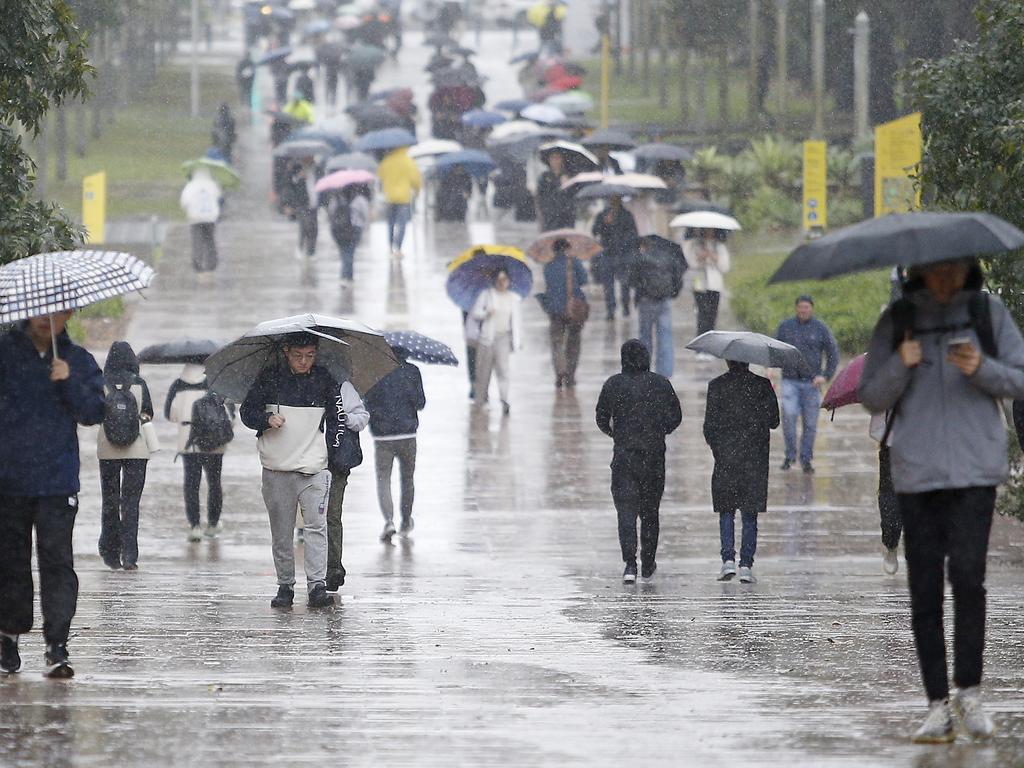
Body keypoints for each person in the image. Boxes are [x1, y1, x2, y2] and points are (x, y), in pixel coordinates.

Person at [860, 258, 1024, 743]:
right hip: (917, 471)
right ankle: (936, 705)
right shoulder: (897, 321)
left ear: (966, 269)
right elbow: (871, 394)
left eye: (954, 268)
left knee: (969, 578)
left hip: (976, 470)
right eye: (936, 270)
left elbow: (1019, 378)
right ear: (920, 273)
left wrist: (983, 369)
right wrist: (900, 363)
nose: (946, 277)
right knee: (925, 589)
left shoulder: (988, 314)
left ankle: (969, 692)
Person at [0, 311, 104, 678]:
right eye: (41, 312)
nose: (48, 319)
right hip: (8, 479)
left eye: (58, 312)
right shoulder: (5, 353)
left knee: (57, 562)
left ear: (70, 314)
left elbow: (93, 412)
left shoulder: (77, 359)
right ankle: (8, 636)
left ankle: (57, 644)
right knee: (11, 561)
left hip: (57, 481)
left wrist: (68, 381)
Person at [239, 333, 338, 610]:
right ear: (286, 351)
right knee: (281, 532)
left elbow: (336, 419)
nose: (304, 361)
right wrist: (266, 419)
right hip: (277, 468)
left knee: (317, 528)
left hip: (314, 468)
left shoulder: (325, 380)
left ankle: (317, 586)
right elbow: (247, 412)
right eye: (298, 355)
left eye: (309, 355)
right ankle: (285, 586)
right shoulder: (269, 378)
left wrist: (338, 457)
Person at [596, 340, 682, 583]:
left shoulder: (614, 384)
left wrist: (616, 433)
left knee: (626, 511)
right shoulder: (661, 384)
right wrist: (658, 430)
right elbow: (676, 416)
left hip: (624, 457)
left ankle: (630, 563)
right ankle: (648, 561)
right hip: (653, 457)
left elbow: (601, 417)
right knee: (650, 511)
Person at [703, 360, 780, 584]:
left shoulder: (716, 386)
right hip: (754, 459)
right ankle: (746, 564)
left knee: (726, 510)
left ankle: (727, 560)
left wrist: (719, 448)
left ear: (727, 361)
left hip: (726, 459)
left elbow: (709, 427)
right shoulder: (762, 385)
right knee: (750, 513)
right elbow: (774, 421)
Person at [96, 342, 154, 571]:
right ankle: (130, 555)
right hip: (137, 450)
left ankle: (110, 552)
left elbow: (94, 411)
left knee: (109, 501)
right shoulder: (139, 385)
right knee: (131, 503)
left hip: (107, 450)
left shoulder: (101, 384)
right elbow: (148, 414)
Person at [165, 364, 233, 542]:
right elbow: (230, 415)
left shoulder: (178, 385)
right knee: (214, 483)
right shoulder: (216, 384)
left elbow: (170, 415)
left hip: (189, 442)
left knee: (191, 484)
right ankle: (212, 524)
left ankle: (195, 525)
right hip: (215, 442)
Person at [364, 351, 425, 541]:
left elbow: (367, 403)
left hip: (383, 437)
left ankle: (389, 521)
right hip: (407, 434)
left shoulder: (375, 372)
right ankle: (406, 521)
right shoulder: (412, 371)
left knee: (384, 480)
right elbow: (420, 403)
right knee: (407, 479)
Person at [774, 295, 839, 473]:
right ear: (796, 308)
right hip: (789, 381)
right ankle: (789, 456)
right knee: (788, 420)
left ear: (812, 309)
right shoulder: (785, 327)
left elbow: (833, 352)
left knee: (810, 424)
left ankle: (806, 458)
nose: (803, 310)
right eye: (801, 307)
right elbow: (774, 348)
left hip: (812, 384)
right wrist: (771, 367)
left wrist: (825, 375)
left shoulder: (820, 328)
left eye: (807, 307)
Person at [324, 371, 369, 593]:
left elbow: (362, 418)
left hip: (336, 462)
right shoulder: (297, 385)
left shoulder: (343, 387)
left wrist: (344, 418)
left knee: (331, 515)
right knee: (313, 519)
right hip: (304, 459)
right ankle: (316, 569)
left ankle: (332, 568)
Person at [628, 235, 686, 378]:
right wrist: (672, 293)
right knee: (665, 336)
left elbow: (631, 280)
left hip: (646, 301)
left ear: (645, 245)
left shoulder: (640, 258)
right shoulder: (668, 257)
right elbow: (678, 277)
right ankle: (664, 373)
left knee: (645, 337)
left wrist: (641, 291)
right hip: (664, 301)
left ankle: (644, 370)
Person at [470, 270, 524, 414]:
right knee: (483, 372)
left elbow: (517, 322)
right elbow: (475, 313)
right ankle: (481, 399)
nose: (502, 282)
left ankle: (504, 399)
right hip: (487, 339)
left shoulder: (514, 298)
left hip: (504, 338)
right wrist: (487, 313)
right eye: (499, 279)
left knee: (503, 370)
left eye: (505, 279)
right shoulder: (487, 295)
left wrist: (518, 340)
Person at [542, 239, 588, 389]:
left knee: (556, 342)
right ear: (567, 248)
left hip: (555, 310)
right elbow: (584, 280)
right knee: (574, 342)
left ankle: (560, 370)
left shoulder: (548, 266)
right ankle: (571, 375)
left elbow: (549, 285)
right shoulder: (574, 263)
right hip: (574, 309)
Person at [591, 195, 638, 320]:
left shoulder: (627, 215)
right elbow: (595, 231)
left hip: (623, 254)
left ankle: (625, 307)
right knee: (608, 285)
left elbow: (633, 234)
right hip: (607, 253)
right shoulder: (602, 215)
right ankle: (610, 310)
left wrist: (624, 242)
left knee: (625, 283)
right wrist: (604, 224)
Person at [682, 228, 731, 340]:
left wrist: (714, 257)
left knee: (712, 314)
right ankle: (700, 343)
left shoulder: (719, 246)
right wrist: (700, 258)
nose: (709, 233)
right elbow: (690, 262)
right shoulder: (695, 245)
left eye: (711, 230)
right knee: (702, 314)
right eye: (706, 230)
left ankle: (711, 343)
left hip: (715, 285)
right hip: (699, 285)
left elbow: (725, 266)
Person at [377, 144, 422, 257]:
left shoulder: (386, 161)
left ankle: (390, 246)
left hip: (390, 197)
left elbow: (380, 176)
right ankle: (398, 248)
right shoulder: (408, 161)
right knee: (402, 224)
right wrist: (417, 191)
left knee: (390, 223)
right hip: (403, 197)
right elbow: (415, 179)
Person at [179, 166, 222, 273]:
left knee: (197, 240)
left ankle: (197, 263)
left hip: (195, 218)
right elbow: (218, 196)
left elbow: (184, 201)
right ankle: (212, 263)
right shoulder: (212, 185)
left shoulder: (190, 186)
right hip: (210, 217)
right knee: (210, 240)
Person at [328, 184, 371, 285]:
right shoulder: (359, 199)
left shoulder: (336, 199)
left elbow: (331, 213)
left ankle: (348, 277)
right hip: (355, 228)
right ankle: (345, 277)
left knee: (344, 253)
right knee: (350, 253)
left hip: (338, 229)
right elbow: (365, 214)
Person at [285, 157, 320, 259]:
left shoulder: (317, 168)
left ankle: (311, 251)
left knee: (314, 228)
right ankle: (300, 248)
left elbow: (321, 182)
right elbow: (289, 184)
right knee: (305, 226)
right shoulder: (295, 167)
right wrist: (298, 177)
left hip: (314, 203)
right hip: (301, 203)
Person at [535, 150, 576, 231]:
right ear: (549, 160)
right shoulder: (544, 176)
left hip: (566, 216)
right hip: (549, 215)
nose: (555, 161)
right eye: (553, 158)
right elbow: (541, 195)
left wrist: (567, 184)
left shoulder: (569, 175)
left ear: (562, 159)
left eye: (558, 158)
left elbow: (572, 195)